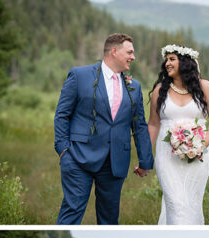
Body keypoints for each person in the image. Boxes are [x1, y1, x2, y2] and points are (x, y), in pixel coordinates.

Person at [53, 33, 153, 225]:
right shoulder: (79, 75)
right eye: (129, 52)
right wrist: (63, 151)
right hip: (78, 157)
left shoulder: (135, 86)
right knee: (72, 213)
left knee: (109, 219)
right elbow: (62, 115)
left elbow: (139, 124)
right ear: (114, 51)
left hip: (115, 162)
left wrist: (145, 160)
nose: (133, 57)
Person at [148, 44, 209, 225]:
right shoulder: (160, 90)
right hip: (167, 156)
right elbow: (153, 124)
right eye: (166, 59)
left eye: (172, 59)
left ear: (186, 62)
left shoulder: (205, 87)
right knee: (175, 202)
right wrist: (144, 157)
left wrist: (201, 146)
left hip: (197, 157)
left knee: (192, 203)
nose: (167, 63)